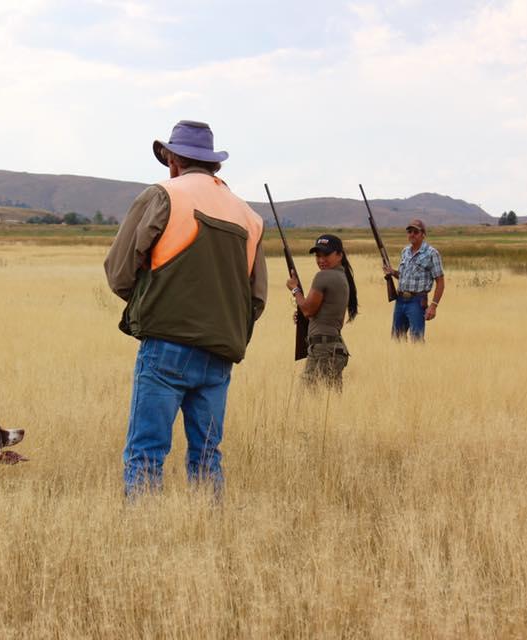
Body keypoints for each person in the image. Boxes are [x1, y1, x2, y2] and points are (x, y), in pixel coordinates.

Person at [104, 120, 267, 499]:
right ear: (214, 166)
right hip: (220, 353)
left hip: (166, 346)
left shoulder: (163, 195)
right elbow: (256, 299)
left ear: (173, 159)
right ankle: (207, 537)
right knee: (208, 456)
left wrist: (153, 302)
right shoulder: (248, 215)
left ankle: (147, 540)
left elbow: (119, 271)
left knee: (146, 453)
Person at [286, 234, 358, 390]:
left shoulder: (323, 276)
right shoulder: (341, 276)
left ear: (339, 255)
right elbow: (318, 313)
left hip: (323, 349)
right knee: (329, 404)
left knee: (306, 401)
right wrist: (309, 318)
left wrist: (295, 290)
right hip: (333, 347)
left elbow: (307, 309)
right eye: (318, 255)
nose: (321, 260)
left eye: (326, 255)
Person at [382, 218, 445, 341]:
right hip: (400, 300)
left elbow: (440, 282)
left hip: (417, 301)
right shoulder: (405, 251)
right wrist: (392, 272)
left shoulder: (432, 253)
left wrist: (434, 305)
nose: (412, 234)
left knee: (416, 338)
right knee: (396, 338)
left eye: (416, 232)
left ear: (423, 235)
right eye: (409, 231)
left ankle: (419, 360)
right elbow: (403, 275)